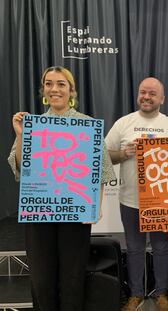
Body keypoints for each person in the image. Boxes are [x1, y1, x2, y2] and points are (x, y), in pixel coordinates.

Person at [8, 66, 115, 311]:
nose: (54, 89)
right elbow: (19, 169)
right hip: (39, 214)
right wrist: (20, 135)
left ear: (71, 90)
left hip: (75, 214)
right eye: (49, 83)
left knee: (72, 278)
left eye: (61, 84)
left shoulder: (87, 125)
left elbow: (99, 172)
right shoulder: (32, 125)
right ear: (43, 90)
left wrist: (94, 208)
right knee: (41, 279)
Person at [105, 77, 168, 311]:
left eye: (152, 93)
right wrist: (124, 153)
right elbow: (105, 155)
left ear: (162, 99)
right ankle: (136, 294)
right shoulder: (123, 123)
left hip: (162, 200)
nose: (146, 97)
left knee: (161, 249)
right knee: (135, 249)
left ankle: (161, 294)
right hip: (130, 200)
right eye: (143, 92)